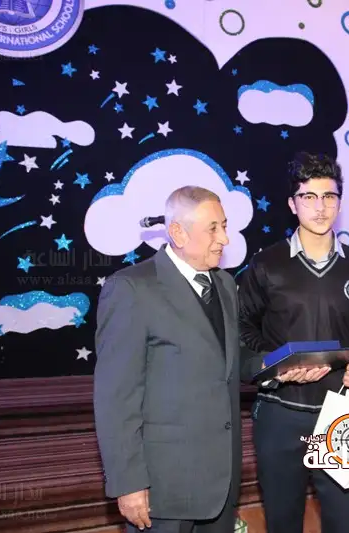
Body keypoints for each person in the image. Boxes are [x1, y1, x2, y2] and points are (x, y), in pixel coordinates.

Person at [94, 186, 262, 533]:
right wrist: (128, 482)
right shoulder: (131, 289)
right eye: (213, 229)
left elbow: (229, 359)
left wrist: (278, 368)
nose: (225, 238)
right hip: (163, 488)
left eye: (224, 226)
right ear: (178, 232)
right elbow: (115, 398)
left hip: (221, 481)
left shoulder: (225, 285)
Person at [238, 152, 349, 533]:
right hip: (279, 413)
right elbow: (242, 328)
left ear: (340, 202)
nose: (320, 207)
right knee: (283, 521)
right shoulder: (266, 264)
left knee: (346, 523)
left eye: (329, 196)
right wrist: (276, 367)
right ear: (292, 204)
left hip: (344, 413)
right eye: (309, 197)